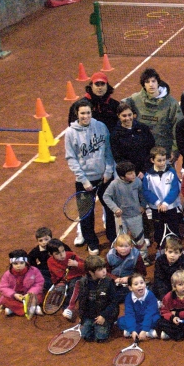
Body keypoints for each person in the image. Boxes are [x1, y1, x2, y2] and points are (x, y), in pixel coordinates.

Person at [65, 99, 116, 255]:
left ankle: (113, 238)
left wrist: (108, 171)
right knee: (86, 214)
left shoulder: (101, 127)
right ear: (77, 114)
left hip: (105, 178)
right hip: (84, 181)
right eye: (82, 113)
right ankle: (92, 242)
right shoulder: (70, 133)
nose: (85, 116)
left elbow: (108, 150)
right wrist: (84, 180)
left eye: (88, 112)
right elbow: (71, 158)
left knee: (110, 209)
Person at [123, 68, 183, 167]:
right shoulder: (135, 99)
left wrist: (175, 150)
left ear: (158, 83)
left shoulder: (171, 103)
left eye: (153, 81)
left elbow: (177, 127)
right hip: (143, 151)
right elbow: (121, 107)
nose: (151, 85)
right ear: (143, 84)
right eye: (147, 82)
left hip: (164, 152)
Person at [142, 146, 182, 254]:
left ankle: (176, 248)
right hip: (156, 208)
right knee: (158, 228)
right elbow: (146, 191)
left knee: (173, 227)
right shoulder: (148, 175)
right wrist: (157, 203)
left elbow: (175, 189)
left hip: (170, 206)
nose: (162, 163)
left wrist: (165, 203)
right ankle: (161, 247)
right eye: (159, 160)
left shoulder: (171, 172)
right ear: (152, 160)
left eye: (164, 160)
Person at [103, 161, 147, 249]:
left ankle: (143, 258)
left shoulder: (137, 181)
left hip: (135, 215)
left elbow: (142, 194)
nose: (134, 175)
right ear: (122, 176)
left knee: (139, 239)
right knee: (122, 241)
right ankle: (124, 258)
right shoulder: (114, 184)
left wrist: (143, 205)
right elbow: (106, 196)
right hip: (121, 218)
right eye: (130, 173)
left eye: (133, 172)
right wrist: (115, 209)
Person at [74, 256, 119, 342]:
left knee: (100, 338)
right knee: (85, 336)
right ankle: (92, 325)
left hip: (104, 314)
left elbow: (114, 302)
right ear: (91, 272)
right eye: (99, 270)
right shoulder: (83, 282)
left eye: (104, 268)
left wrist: (103, 316)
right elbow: (82, 300)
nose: (104, 271)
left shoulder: (109, 282)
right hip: (90, 315)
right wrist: (82, 316)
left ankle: (108, 324)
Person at [111, 102, 156, 176]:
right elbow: (118, 157)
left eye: (129, 115)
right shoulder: (115, 134)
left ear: (133, 114)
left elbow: (151, 148)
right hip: (129, 174)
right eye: (124, 116)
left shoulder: (143, 128)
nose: (127, 118)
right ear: (118, 116)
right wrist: (132, 172)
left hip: (147, 171)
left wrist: (144, 170)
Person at [156, 270, 184, 340]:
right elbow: (164, 311)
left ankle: (174, 334)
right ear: (174, 286)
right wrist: (172, 318)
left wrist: (178, 314)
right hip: (175, 321)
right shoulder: (168, 297)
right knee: (160, 322)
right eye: (180, 284)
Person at [0, 250, 44, 317]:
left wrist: (30, 294)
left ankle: (13, 309)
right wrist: (14, 295)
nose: (18, 266)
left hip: (30, 294)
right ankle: (32, 308)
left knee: (39, 297)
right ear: (11, 264)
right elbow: (3, 287)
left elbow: (39, 283)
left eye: (21, 263)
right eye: (15, 264)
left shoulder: (34, 271)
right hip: (16, 296)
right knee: (5, 299)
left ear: (26, 262)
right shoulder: (7, 274)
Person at [117, 273, 160, 340]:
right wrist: (132, 330)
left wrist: (144, 330)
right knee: (121, 321)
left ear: (145, 284)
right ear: (130, 288)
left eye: (142, 283)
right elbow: (129, 314)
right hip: (136, 319)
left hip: (149, 318)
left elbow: (149, 314)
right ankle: (144, 332)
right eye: (136, 284)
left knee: (157, 319)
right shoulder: (128, 297)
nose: (140, 286)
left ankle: (142, 332)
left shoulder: (150, 295)